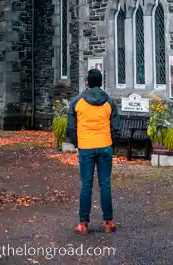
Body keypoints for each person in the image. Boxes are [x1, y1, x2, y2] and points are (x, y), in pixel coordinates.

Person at [66, 68, 121, 234]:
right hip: (105, 145)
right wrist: (110, 143)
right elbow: (116, 128)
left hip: (86, 147)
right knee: (105, 185)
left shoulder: (77, 102)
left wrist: (78, 143)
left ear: (87, 83)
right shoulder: (109, 102)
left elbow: (70, 128)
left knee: (86, 185)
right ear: (101, 83)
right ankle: (108, 222)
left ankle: (83, 224)